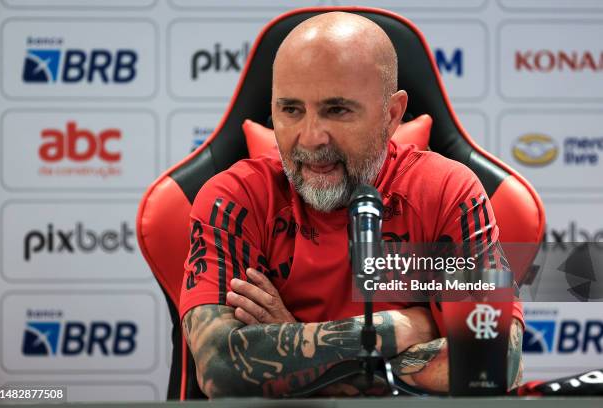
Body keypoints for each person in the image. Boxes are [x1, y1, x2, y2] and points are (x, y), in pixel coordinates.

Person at [180, 11, 524, 398]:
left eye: (336, 110)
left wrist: (290, 341)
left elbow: (493, 363)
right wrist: (408, 325)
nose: (309, 138)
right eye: (290, 109)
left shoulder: (446, 192)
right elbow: (221, 370)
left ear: (391, 115)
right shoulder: (235, 199)